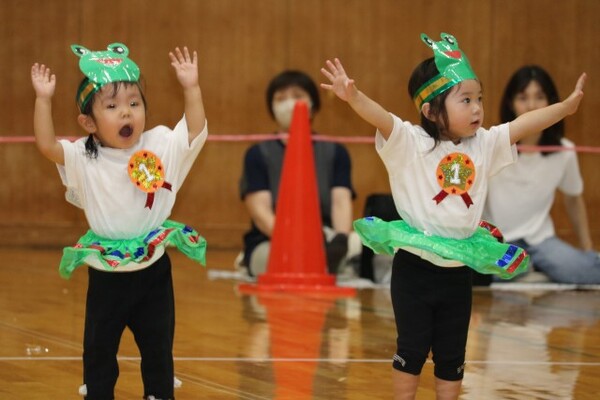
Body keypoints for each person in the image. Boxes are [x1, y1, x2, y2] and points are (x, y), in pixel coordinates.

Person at [320, 32, 586, 400]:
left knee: (452, 355)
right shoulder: (410, 143)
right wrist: (354, 97)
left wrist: (565, 108)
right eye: (465, 100)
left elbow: (525, 124)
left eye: (479, 99)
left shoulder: (486, 145)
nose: (477, 108)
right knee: (411, 349)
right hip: (414, 270)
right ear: (430, 111)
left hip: (458, 274)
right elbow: (381, 118)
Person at [31, 43, 208, 400]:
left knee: (158, 349)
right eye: (112, 107)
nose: (126, 112)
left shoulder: (159, 143)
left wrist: (191, 87)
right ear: (89, 122)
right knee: (99, 352)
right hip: (106, 275)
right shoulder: (83, 156)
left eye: (134, 103)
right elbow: (48, 146)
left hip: (153, 271)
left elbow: (194, 131)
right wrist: (43, 100)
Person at [484, 65, 600, 284]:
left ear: (551, 102)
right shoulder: (493, 145)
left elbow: (574, 200)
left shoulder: (564, 151)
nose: (531, 106)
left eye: (539, 97)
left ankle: (536, 268)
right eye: (522, 98)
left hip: (542, 242)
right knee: (493, 272)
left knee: (589, 272)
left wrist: (587, 249)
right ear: (510, 103)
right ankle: (527, 270)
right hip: (500, 243)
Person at [239, 70, 358, 277]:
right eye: (280, 98)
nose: (289, 103)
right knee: (271, 262)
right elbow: (261, 212)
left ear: (313, 104)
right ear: (272, 108)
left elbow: (341, 202)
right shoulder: (257, 154)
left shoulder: (335, 152)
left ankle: (331, 262)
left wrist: (340, 240)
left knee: (358, 245)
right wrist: (298, 242)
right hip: (274, 240)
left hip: (326, 238)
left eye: (297, 95)